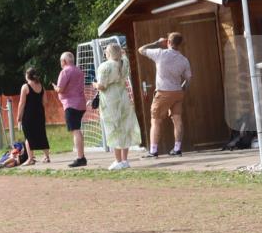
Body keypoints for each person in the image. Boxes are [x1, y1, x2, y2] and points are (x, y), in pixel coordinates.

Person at [138, 32, 192, 158]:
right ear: (180, 44)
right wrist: (182, 89)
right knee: (177, 120)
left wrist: (156, 43)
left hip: (163, 92)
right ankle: (177, 149)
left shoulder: (160, 53)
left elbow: (141, 49)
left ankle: (153, 151)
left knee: (155, 121)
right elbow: (189, 79)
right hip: (178, 92)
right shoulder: (184, 60)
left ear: (168, 42)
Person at [94, 42, 141, 170]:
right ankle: (125, 160)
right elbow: (124, 58)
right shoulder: (124, 63)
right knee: (124, 128)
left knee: (113, 129)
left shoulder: (105, 66)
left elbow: (102, 86)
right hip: (123, 97)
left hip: (110, 99)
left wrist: (94, 85)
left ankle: (118, 160)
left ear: (108, 53)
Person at [53, 52, 88, 167]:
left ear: (64, 61)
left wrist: (55, 88)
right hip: (81, 103)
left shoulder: (65, 71)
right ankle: (81, 156)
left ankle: (80, 157)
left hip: (70, 104)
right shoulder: (79, 70)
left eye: (61, 61)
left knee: (75, 130)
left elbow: (60, 89)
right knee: (77, 129)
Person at [16, 68, 51, 165]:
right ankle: (47, 157)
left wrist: (19, 117)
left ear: (27, 76)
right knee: (42, 134)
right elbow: (45, 102)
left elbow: (21, 103)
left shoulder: (25, 87)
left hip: (28, 115)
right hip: (40, 114)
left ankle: (30, 159)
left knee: (28, 136)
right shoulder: (41, 87)